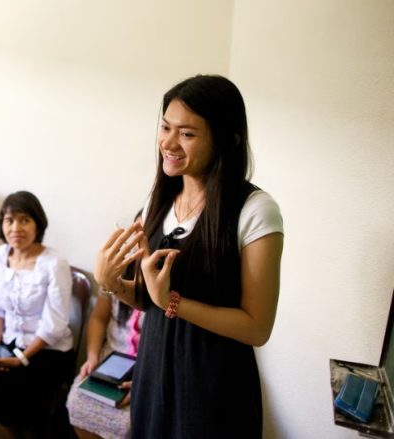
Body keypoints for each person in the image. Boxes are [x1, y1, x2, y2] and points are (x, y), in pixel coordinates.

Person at [94, 74, 284, 438]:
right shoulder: (158, 200)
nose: (168, 143)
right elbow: (148, 300)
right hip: (153, 378)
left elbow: (257, 327)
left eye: (187, 134)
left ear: (227, 139)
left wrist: (174, 302)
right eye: (165, 127)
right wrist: (111, 283)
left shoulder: (255, 210)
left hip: (213, 391)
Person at [0, 191, 74, 436]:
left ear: (38, 224)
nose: (16, 228)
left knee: (0, 393)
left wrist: (21, 359)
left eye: (24, 220)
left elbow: (54, 324)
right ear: (1, 224)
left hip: (47, 351)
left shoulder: (54, 263)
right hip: (10, 344)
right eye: (9, 220)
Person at [65, 292, 141, 439]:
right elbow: (98, 318)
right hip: (110, 357)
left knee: (127, 422)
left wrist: (142, 383)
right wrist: (92, 357)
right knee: (76, 403)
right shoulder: (112, 279)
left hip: (147, 367)